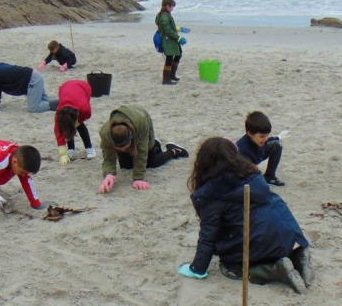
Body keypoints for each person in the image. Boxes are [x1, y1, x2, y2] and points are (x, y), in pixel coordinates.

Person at [178, 137, 314, 293]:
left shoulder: (211, 193)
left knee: (230, 265)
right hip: (289, 234)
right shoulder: (252, 173)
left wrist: (197, 269)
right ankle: (298, 255)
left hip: (258, 240)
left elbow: (208, 235)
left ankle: (275, 271)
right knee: (265, 238)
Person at [97, 105, 188, 193]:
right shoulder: (105, 133)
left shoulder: (141, 123)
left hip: (141, 119)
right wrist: (109, 175)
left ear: (131, 138)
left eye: (126, 148)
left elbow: (142, 153)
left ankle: (173, 151)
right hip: (127, 133)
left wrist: (138, 178)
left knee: (151, 163)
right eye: (119, 149)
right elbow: (108, 157)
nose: (124, 151)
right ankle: (155, 145)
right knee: (127, 166)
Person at [236, 111, 287, 187]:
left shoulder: (259, 140)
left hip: (258, 155)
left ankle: (270, 177)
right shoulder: (242, 150)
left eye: (267, 135)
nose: (265, 139)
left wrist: (278, 137)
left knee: (276, 145)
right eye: (262, 136)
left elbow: (268, 140)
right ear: (249, 133)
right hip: (246, 165)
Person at [54, 80, 96, 164]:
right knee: (67, 127)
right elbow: (58, 132)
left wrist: (77, 122)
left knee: (80, 126)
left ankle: (89, 147)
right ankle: (71, 149)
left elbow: (88, 115)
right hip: (64, 88)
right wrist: (62, 153)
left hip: (83, 88)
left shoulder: (85, 108)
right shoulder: (59, 115)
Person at [155, 0, 186, 85]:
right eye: (172, 7)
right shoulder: (164, 16)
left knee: (178, 55)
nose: (172, 9)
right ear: (167, 6)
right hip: (167, 40)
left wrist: (179, 28)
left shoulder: (165, 15)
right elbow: (167, 30)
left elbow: (169, 27)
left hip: (170, 40)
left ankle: (172, 75)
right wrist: (178, 38)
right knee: (169, 58)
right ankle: (166, 79)